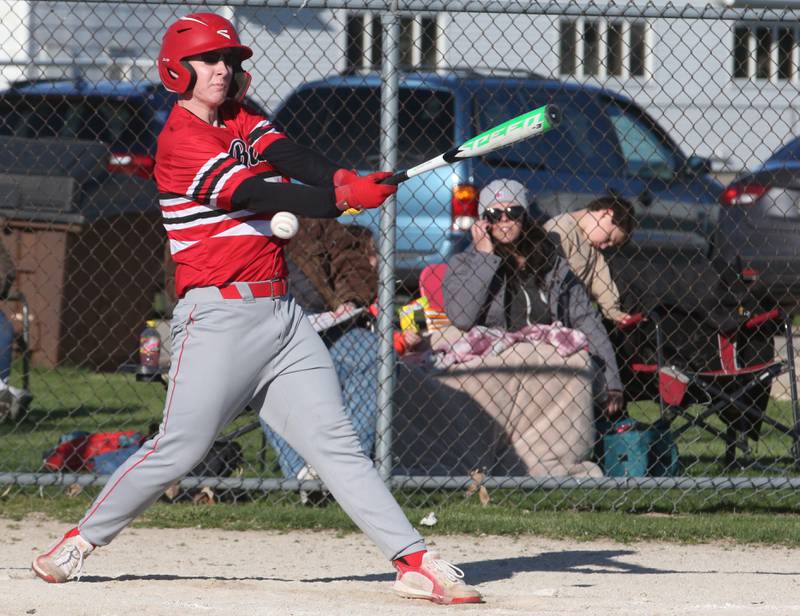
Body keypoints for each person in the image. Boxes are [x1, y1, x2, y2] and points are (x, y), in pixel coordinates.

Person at [31, 13, 481, 605]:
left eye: (230, 61)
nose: (223, 69)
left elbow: (289, 157)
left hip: (283, 318)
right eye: (209, 60)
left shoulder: (243, 119)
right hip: (218, 319)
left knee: (334, 441)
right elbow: (257, 192)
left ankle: (412, 559)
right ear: (176, 69)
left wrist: (343, 178)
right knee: (181, 448)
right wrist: (340, 200)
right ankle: (80, 541)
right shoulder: (180, 141)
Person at [444, 179, 624, 417]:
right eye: (494, 214)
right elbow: (462, 318)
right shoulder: (465, 264)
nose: (504, 220)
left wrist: (612, 380)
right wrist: (485, 257)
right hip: (501, 364)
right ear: (483, 221)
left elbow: (586, 319)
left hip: (550, 361)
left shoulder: (552, 263)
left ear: (525, 216)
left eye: (513, 212)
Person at [543, 194, 636, 325]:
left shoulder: (592, 246)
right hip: (550, 314)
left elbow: (601, 279)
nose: (604, 246)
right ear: (606, 214)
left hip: (572, 315)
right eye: (609, 238)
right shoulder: (560, 230)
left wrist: (614, 312)